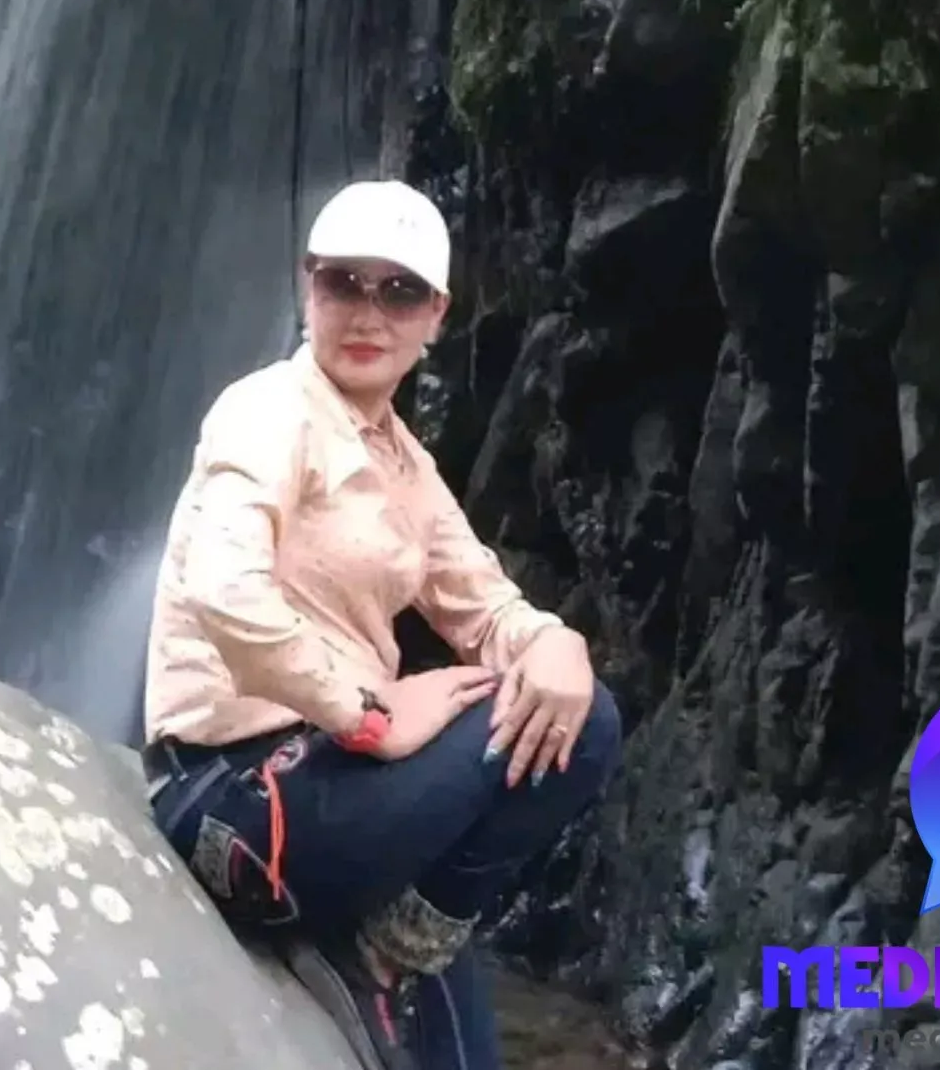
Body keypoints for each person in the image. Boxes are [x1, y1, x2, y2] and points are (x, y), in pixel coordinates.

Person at [140, 178, 624, 1070]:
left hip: (347, 801)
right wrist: (366, 711)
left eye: (397, 290)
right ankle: (383, 949)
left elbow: (483, 604)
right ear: (307, 286)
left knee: (575, 707)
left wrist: (555, 641)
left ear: (436, 312)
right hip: (232, 796)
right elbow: (221, 588)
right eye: (343, 283)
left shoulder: (402, 461)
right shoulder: (266, 413)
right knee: (583, 723)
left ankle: (395, 947)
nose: (368, 312)